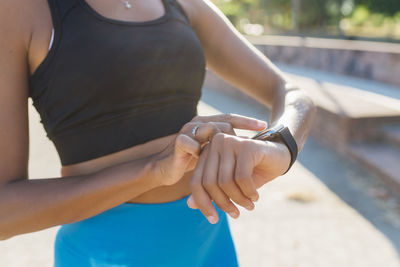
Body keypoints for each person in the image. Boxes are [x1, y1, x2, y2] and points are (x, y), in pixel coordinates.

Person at [0, 0, 316, 266]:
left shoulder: (182, 4)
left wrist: (277, 146)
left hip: (209, 242)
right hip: (104, 254)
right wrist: (154, 170)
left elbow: (291, 94)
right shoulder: (22, 10)